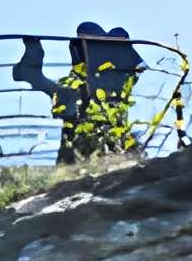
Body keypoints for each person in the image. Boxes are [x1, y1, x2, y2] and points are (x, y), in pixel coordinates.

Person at [10, 22, 147, 160]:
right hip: (80, 151)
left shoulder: (117, 82)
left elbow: (135, 71)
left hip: (108, 149)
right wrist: (33, 61)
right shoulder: (76, 88)